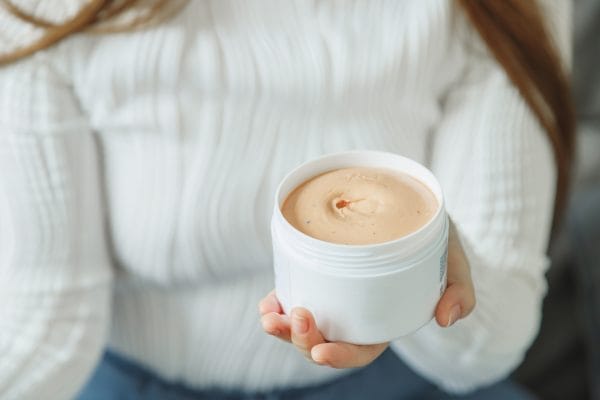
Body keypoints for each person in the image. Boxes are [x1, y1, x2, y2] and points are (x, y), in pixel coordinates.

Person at [0, 1, 574, 399]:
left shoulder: (494, 10)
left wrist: (420, 275)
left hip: (401, 385)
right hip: (128, 384)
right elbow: (48, 319)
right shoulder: (51, 11)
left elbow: (492, 347)